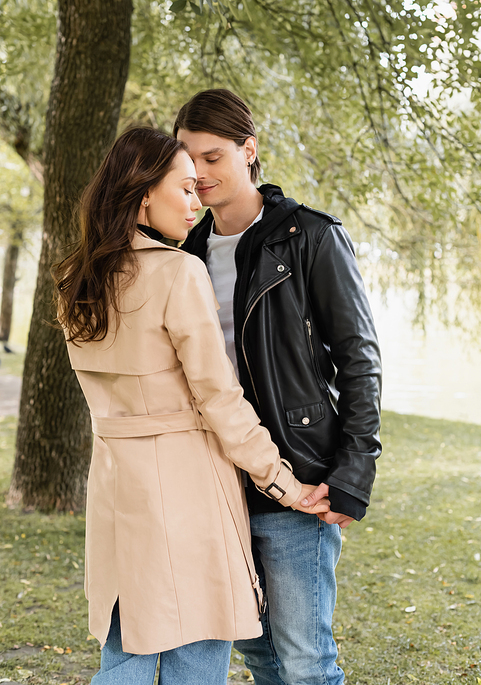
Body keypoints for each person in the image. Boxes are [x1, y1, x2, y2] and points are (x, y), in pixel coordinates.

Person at [53, 127, 329, 685]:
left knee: (126, 650)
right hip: (187, 488)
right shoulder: (180, 271)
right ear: (142, 195)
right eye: (182, 189)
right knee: (196, 657)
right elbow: (218, 398)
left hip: (114, 487)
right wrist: (283, 482)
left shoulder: (74, 279)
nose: (195, 201)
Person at [175, 89, 383, 685]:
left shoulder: (311, 237)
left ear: (249, 151)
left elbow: (359, 358)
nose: (201, 173)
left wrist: (353, 471)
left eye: (214, 157)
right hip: (217, 481)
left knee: (305, 663)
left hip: (299, 476)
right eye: (189, 159)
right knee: (257, 651)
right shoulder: (183, 251)